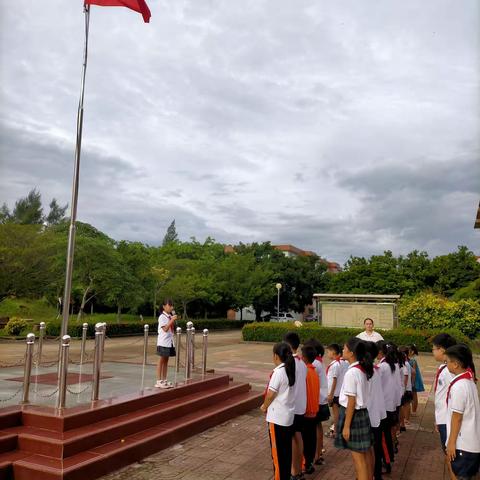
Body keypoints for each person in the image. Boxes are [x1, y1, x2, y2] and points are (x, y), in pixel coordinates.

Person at [334, 337, 374, 480]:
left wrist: (346, 426)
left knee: (359, 460)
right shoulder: (362, 369)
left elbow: (352, 401)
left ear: (351, 353)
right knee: (365, 454)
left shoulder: (352, 372)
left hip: (354, 415)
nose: (342, 350)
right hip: (361, 414)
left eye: (344, 348)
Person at [260, 342, 296, 480]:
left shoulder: (279, 372)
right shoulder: (290, 369)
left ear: (276, 356)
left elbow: (271, 394)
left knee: (277, 455)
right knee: (286, 452)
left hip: (277, 418)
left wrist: (264, 406)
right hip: (287, 417)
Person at [444, 344, 479, 480]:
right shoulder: (469, 382)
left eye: (447, 362)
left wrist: (451, 443)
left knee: (460, 476)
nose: (446, 364)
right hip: (471, 443)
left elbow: (457, 418)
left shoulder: (459, 386)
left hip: (463, 444)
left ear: (456, 364)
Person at [284, 332, 307, 480]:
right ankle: (298, 470)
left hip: (291, 407)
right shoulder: (302, 362)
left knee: (292, 439)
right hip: (301, 405)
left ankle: (294, 471)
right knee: (298, 437)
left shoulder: (289, 363)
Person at [304, 338, 330, 466]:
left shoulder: (315, 364)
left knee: (314, 429)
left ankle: (316, 454)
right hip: (321, 399)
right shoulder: (319, 362)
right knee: (318, 427)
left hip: (317, 400)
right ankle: (318, 453)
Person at [365, 341, 388, 480]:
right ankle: (376, 474)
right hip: (378, 413)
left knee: (369, 449)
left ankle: (370, 474)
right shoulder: (375, 369)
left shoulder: (368, 371)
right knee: (376, 447)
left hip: (371, 415)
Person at [432, 333, 457, 450]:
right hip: (442, 417)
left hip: (448, 419)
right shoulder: (443, 367)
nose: (433, 352)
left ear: (441, 349)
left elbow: (455, 396)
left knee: (450, 455)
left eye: (433, 349)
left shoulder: (450, 370)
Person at [376, 340, 399, 467]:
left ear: (380, 352)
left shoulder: (382, 367)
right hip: (391, 405)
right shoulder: (392, 364)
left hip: (384, 406)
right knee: (387, 435)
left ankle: (387, 461)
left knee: (383, 437)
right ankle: (388, 458)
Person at [301, 344, 320, 475]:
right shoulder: (313, 371)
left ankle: (304, 465)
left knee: (304, 441)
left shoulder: (305, 372)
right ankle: (309, 464)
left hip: (306, 411)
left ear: (304, 357)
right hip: (314, 410)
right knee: (311, 439)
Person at [155, 298, 177, 389]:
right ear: (164, 306)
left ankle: (164, 379)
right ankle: (158, 380)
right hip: (163, 342)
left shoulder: (169, 316)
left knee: (166, 361)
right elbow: (165, 329)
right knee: (161, 360)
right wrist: (172, 320)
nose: (171, 307)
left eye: (172, 305)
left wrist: (172, 319)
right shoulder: (162, 317)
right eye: (169, 305)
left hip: (169, 342)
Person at [325, 343, 346, 438]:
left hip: (335, 393)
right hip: (341, 392)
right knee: (340, 413)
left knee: (336, 414)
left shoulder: (335, 365)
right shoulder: (344, 363)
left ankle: (337, 432)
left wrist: (330, 394)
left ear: (333, 352)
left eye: (328, 352)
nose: (327, 354)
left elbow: (334, 380)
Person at [398, 346, 413, 432]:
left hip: (406, 388)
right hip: (408, 387)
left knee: (405, 405)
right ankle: (406, 419)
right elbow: (413, 372)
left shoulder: (404, 364)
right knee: (406, 404)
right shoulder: (407, 363)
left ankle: (406, 420)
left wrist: (404, 388)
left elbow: (406, 376)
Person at [408, 344, 425, 416]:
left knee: (414, 395)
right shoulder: (411, 359)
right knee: (413, 395)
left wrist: (412, 382)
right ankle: (413, 410)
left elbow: (414, 372)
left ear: (412, 352)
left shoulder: (413, 360)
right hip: (412, 379)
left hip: (413, 379)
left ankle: (414, 411)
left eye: (408, 351)